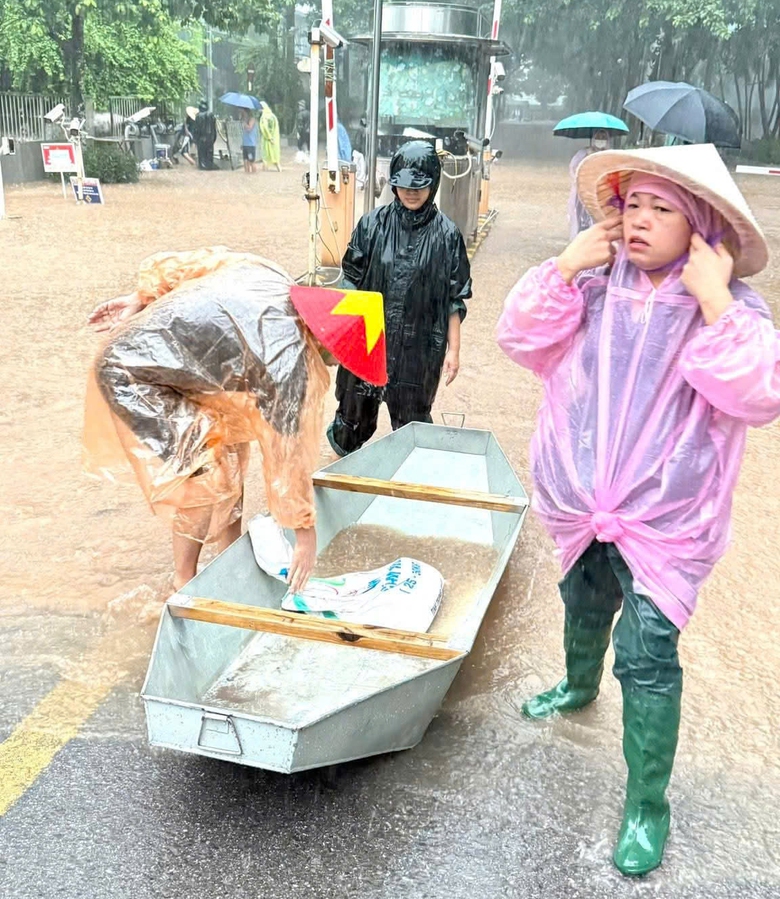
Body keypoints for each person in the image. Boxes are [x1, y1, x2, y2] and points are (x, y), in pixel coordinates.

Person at [496, 144, 780, 876]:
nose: (641, 221)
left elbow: (758, 393)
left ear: (702, 226)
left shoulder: (732, 310)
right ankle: (577, 683)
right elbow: (519, 337)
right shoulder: (593, 288)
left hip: (666, 524)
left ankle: (647, 804)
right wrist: (564, 264)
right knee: (583, 600)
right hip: (581, 498)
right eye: (632, 206)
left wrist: (714, 296)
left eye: (664, 208)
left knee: (648, 654)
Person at [84, 248, 386, 593]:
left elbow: (195, 263)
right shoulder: (288, 362)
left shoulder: (269, 275)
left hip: (163, 365)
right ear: (327, 343)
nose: (333, 366)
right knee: (202, 475)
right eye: (337, 359)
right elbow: (288, 459)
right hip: (132, 375)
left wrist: (141, 297)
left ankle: (229, 555)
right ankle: (183, 581)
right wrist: (305, 535)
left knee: (230, 445)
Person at [326, 140, 471, 456]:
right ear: (393, 184)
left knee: (412, 421)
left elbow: (454, 298)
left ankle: (409, 478)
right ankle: (344, 470)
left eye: (420, 186)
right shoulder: (372, 225)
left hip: (418, 345)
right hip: (370, 338)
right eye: (403, 185)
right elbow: (350, 278)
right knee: (353, 411)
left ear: (433, 183)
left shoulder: (447, 235)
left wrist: (454, 350)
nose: (411, 192)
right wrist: (341, 332)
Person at [567, 129, 610, 239]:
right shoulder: (583, 153)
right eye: (598, 138)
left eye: (603, 138)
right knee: (582, 215)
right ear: (593, 139)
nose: (600, 141)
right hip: (583, 190)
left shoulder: (609, 155)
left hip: (601, 190)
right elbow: (573, 168)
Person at [193, 100, 217, 171]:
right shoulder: (212, 115)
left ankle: (203, 168)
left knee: (202, 156)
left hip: (201, 139)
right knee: (209, 155)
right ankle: (209, 168)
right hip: (210, 139)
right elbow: (214, 129)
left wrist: (195, 140)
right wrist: (213, 138)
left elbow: (196, 130)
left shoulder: (198, 116)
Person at [259, 101, 282, 172]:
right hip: (275, 138)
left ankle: (265, 171)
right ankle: (279, 169)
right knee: (274, 155)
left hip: (267, 139)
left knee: (265, 155)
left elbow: (265, 128)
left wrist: (269, 137)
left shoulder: (264, 117)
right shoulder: (273, 116)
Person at [241, 109, 259, 174]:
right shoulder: (244, 121)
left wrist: (244, 123)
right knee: (245, 161)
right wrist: (242, 144)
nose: (242, 115)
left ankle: (254, 175)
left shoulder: (252, 119)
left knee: (251, 161)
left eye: (243, 113)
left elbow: (249, 128)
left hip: (250, 145)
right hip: (245, 144)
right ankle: (247, 175)